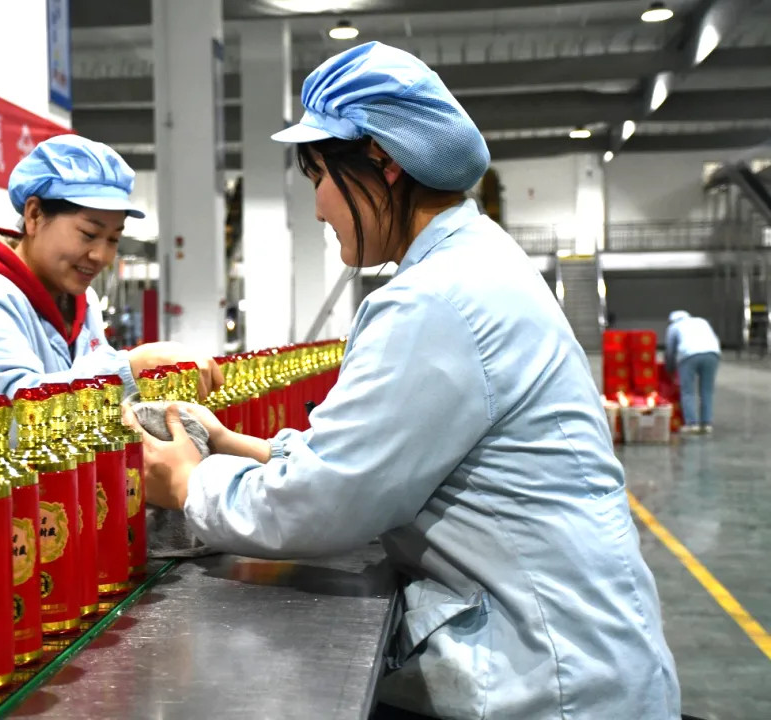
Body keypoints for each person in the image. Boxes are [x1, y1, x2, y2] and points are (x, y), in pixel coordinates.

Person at [133, 43, 679, 720]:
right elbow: (367, 453)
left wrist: (191, 486)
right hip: (578, 651)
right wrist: (236, 444)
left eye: (320, 177)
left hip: (552, 680)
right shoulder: (472, 263)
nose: (319, 208)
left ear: (383, 161)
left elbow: (328, 500)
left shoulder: (436, 298)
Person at [0, 134, 222, 407]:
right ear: (34, 215)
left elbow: (93, 408)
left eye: (113, 239)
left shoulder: (82, 302)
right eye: (88, 234)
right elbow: (13, 416)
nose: (101, 255)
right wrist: (128, 369)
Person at [665, 310, 720, 434]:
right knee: (707, 390)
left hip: (689, 356)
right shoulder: (701, 321)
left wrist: (670, 369)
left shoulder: (674, 327)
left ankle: (691, 424)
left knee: (688, 391)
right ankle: (706, 424)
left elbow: (670, 351)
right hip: (712, 354)